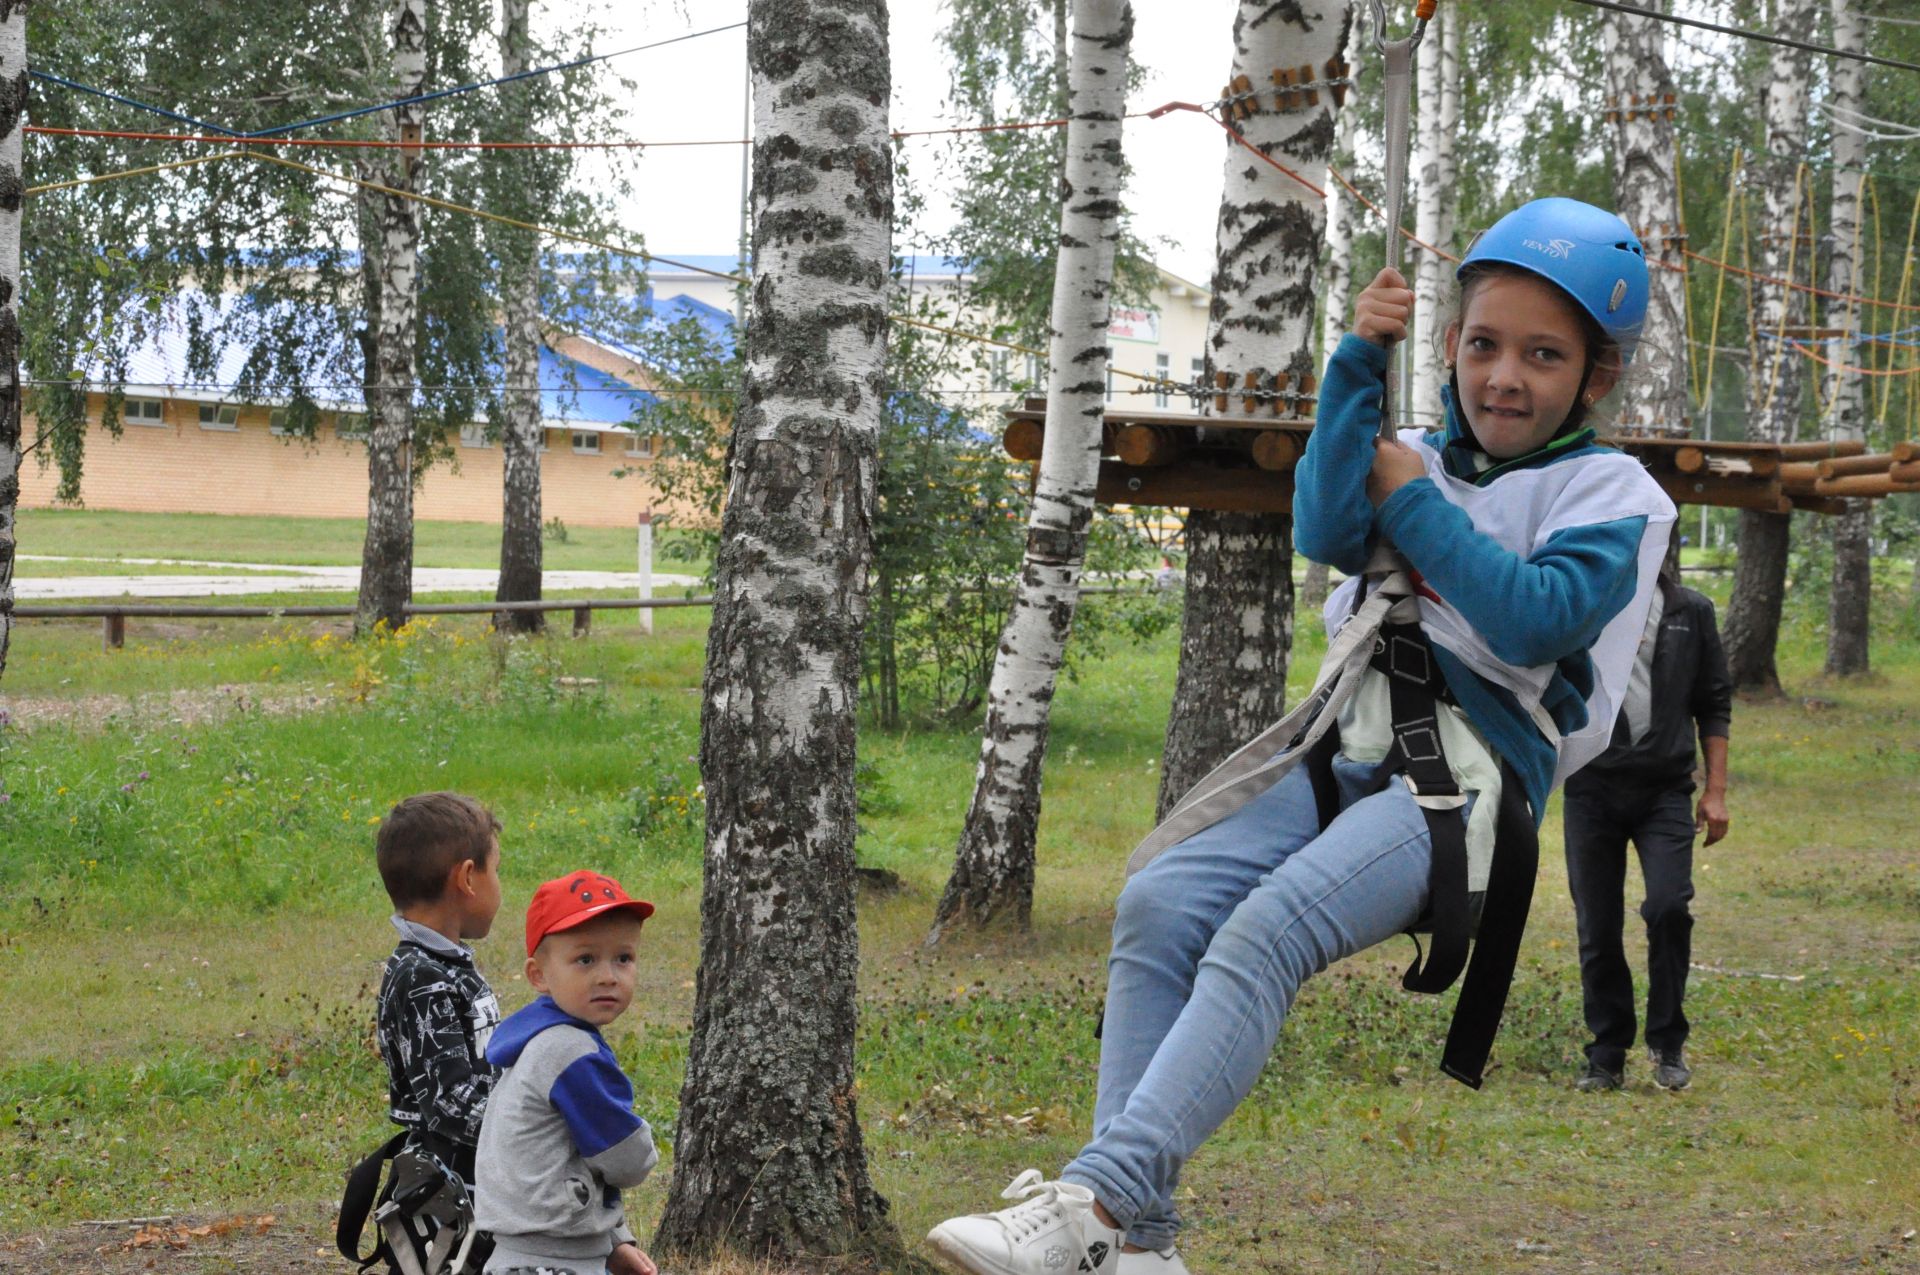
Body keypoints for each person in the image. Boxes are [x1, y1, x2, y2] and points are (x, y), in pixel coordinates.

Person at [925, 197, 1676, 1275]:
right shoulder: (1412, 449)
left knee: (1266, 930)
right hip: (1352, 737)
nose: (1505, 377)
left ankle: (1097, 1206)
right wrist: (1357, 362)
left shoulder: (1616, 497)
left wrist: (1415, 508)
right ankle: (1142, 1249)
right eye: (1482, 345)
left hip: (1470, 782)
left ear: (1595, 379)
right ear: (1451, 347)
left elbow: (1533, 617)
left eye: (1542, 356)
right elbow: (1326, 527)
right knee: (1162, 902)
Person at [1563, 558, 1731, 1092]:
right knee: (1598, 923)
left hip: (1664, 790)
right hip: (1591, 788)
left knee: (1667, 907)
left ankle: (1668, 1043)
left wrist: (1717, 792)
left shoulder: (1691, 610)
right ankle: (1607, 1052)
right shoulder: (1581, 604)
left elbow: (1714, 702)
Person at [474, 871, 660, 1275]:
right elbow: (627, 1162)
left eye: (623, 958)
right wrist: (646, 1144)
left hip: (518, 1255)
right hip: (557, 1263)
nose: (608, 975)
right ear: (539, 975)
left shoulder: (533, 1042)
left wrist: (612, 1242)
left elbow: (563, 1159)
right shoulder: (571, 1053)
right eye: (586, 959)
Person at [376, 792, 507, 1190]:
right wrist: (529, 1128)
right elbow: (449, 1103)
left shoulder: (443, 964)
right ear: (467, 877)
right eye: (497, 870)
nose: (500, 886)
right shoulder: (421, 978)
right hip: (459, 1192)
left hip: (484, 1170)